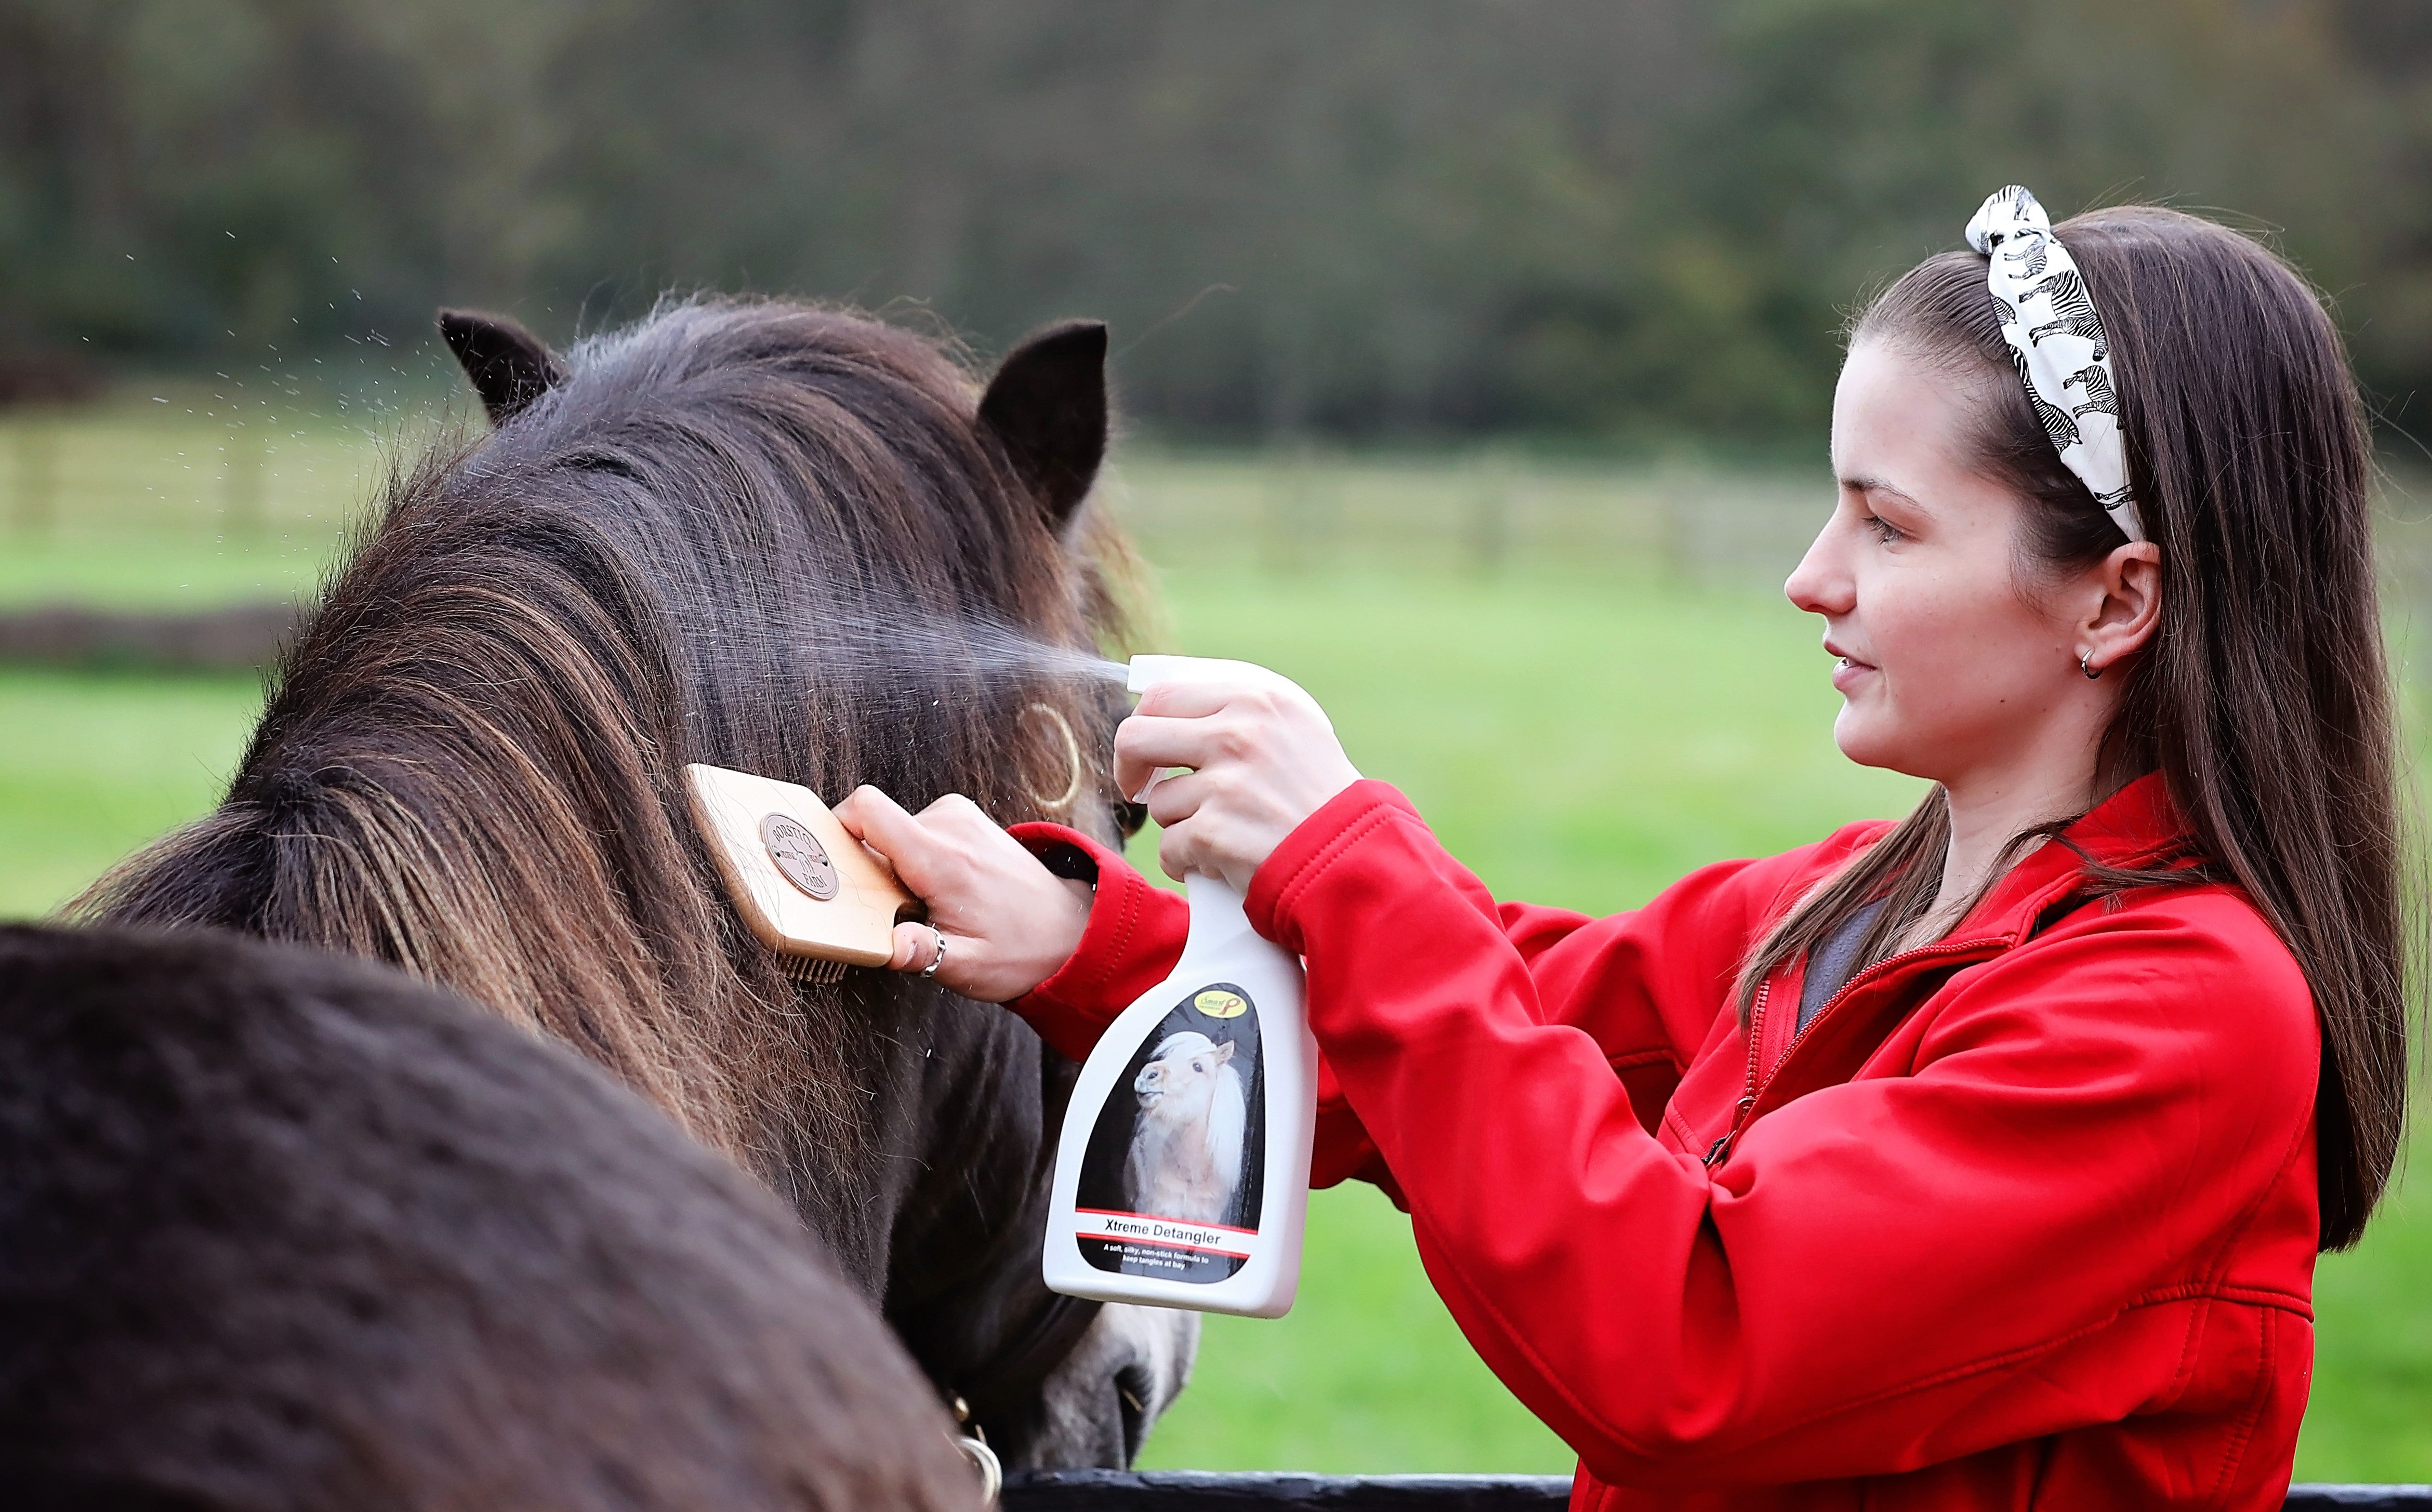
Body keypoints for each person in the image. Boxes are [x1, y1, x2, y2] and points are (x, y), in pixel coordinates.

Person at [834, 190, 2415, 1511]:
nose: (1813, 578)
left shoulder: (2187, 1019)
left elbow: (1687, 1332)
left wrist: (1340, 846)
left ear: (2116, 600)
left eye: (1891, 525)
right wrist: (1081, 939)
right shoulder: (1848, 906)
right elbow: (1501, 1026)